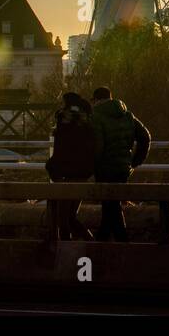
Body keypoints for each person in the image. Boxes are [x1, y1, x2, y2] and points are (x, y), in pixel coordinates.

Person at [90, 87, 152, 242]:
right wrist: (134, 161)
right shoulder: (127, 115)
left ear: (96, 100)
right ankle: (105, 241)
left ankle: (120, 242)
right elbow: (145, 137)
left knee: (110, 206)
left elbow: (97, 146)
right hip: (123, 168)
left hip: (105, 168)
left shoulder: (96, 117)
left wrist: (92, 167)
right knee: (112, 206)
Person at [45, 91, 95, 241]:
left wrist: (51, 167)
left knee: (64, 219)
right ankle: (90, 243)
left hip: (65, 174)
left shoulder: (64, 123)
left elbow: (61, 151)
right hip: (82, 173)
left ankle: (69, 247)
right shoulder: (87, 122)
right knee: (70, 216)